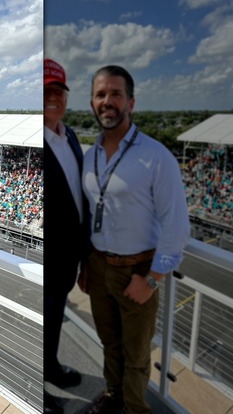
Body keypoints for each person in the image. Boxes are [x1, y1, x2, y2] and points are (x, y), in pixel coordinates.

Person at [78, 65, 190, 414]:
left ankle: (135, 408)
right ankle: (114, 396)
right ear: (93, 103)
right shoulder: (91, 154)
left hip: (138, 269)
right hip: (98, 265)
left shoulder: (156, 157)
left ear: (131, 102)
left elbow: (176, 226)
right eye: (100, 94)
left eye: (115, 94)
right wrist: (87, 265)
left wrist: (154, 279)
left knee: (137, 353)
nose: (107, 101)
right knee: (110, 343)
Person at [42, 58, 86, 413]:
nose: (52, 97)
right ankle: (40, 392)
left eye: (58, 90)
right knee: (44, 318)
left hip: (68, 258)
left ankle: (52, 367)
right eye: (45, 91)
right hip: (47, 258)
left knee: (55, 317)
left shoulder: (68, 135)